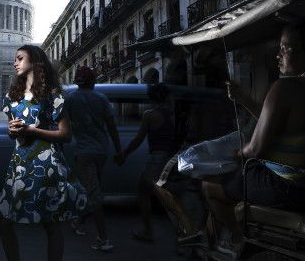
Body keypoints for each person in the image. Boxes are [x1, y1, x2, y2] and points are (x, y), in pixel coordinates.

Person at [202, 24, 305, 251]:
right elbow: (279, 124)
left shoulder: (284, 88)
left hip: (287, 186)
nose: (277, 55)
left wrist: (239, 154)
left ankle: (238, 239)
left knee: (209, 184)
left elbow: (256, 149)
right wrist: (244, 99)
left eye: (285, 49)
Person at [0, 45, 87, 261]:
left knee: (51, 223)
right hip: (19, 165)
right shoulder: (12, 97)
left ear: (35, 61)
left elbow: (66, 135)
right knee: (2, 219)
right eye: (14, 59)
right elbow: (15, 134)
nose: (15, 63)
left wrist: (30, 130)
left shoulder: (52, 95)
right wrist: (12, 131)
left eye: (20, 58)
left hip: (46, 165)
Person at [64, 66, 123, 252]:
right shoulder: (101, 98)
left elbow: (63, 127)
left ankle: (103, 238)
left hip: (83, 151)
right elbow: (112, 126)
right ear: (92, 81)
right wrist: (119, 150)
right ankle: (79, 222)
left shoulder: (70, 99)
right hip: (101, 151)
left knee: (93, 192)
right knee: (92, 187)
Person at [121, 83, 178, 242]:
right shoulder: (172, 113)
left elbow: (138, 140)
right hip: (172, 158)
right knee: (168, 196)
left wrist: (124, 153)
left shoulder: (149, 114)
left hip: (157, 159)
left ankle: (148, 231)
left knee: (143, 191)